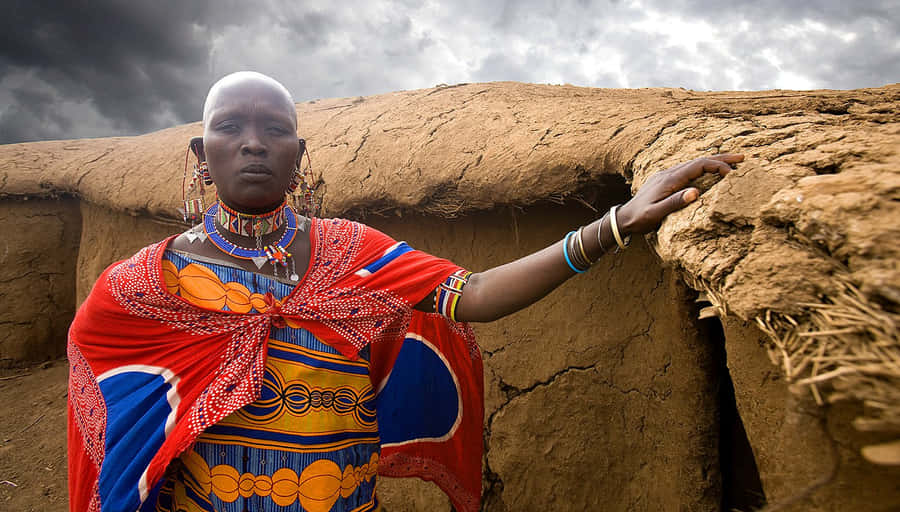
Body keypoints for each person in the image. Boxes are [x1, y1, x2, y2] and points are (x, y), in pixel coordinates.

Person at [67, 71, 742, 512]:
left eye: (274, 130)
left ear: (298, 154)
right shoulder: (144, 285)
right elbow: (103, 389)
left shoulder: (350, 253)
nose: (252, 144)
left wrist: (616, 223)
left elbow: (472, 294)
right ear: (199, 154)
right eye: (230, 128)